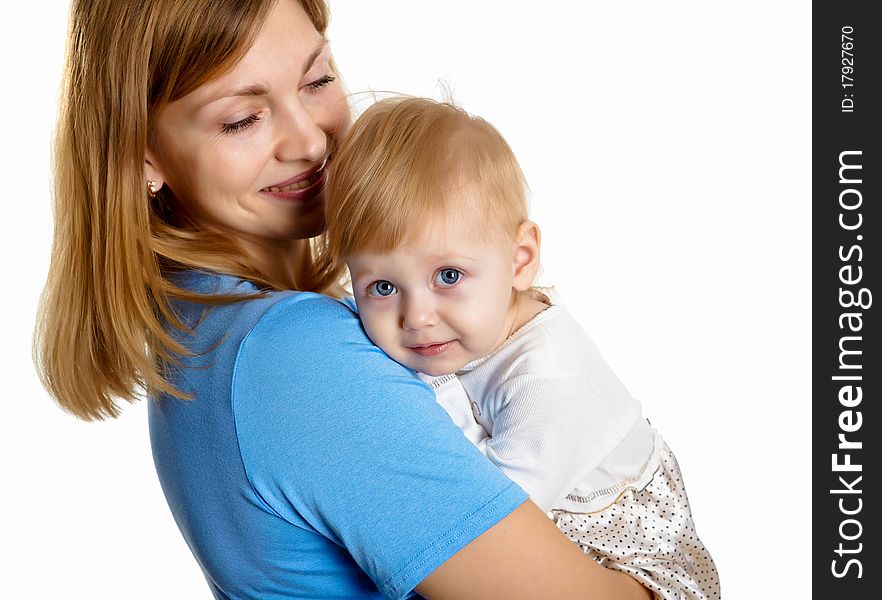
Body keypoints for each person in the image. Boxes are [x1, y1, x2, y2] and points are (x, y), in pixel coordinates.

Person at [35, 0, 653, 598]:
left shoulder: (203, 329)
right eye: (241, 119)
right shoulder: (292, 353)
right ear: (144, 155)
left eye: (317, 79)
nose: (308, 141)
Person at [321, 97, 721, 599]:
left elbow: (484, 521)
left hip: (637, 572)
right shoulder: (465, 331)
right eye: (381, 287)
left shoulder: (550, 379)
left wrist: (435, 389)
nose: (416, 316)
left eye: (448, 276)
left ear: (520, 260)